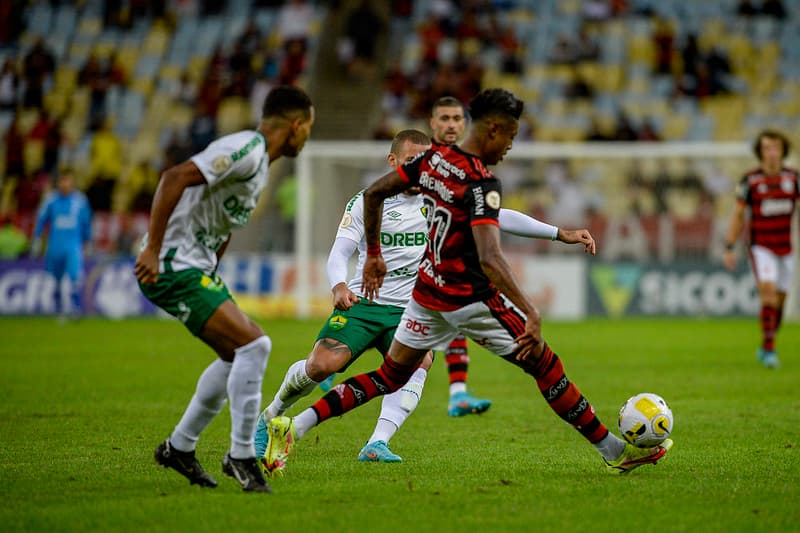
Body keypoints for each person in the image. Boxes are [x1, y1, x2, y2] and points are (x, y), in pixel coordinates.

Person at [263, 88, 672, 475]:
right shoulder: (479, 180)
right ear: (493, 129)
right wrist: (529, 309)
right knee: (546, 365)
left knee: (391, 376)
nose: (509, 146)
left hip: (423, 295)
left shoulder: (434, 163)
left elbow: (376, 193)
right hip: (467, 298)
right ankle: (613, 452)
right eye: (509, 136)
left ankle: (292, 428)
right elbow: (491, 256)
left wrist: (372, 255)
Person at [253, 128, 594, 465]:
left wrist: (559, 234)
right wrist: (338, 285)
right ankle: (270, 415)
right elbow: (339, 252)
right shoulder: (368, 200)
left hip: (412, 308)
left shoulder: (443, 196)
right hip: (365, 303)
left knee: (417, 364)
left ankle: (377, 443)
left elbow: (500, 216)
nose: (419, 168)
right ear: (392, 161)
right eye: (410, 160)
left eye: (425, 160)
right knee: (322, 366)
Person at [134, 85, 314, 493]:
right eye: (308, 129)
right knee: (255, 346)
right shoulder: (246, 149)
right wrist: (154, 249)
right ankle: (240, 455)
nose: (307, 138)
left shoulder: (260, 166)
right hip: (172, 266)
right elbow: (175, 176)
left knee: (238, 356)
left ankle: (179, 447)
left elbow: (222, 223)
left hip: (195, 268)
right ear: (296, 125)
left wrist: (213, 267)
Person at [723, 130, 799, 369]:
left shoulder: (794, 179)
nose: (771, 152)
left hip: (786, 248)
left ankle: (767, 341)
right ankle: (769, 350)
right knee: (768, 292)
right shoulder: (750, 180)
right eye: (766, 148)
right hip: (761, 247)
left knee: (780, 301)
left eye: (775, 147)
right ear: (760, 152)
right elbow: (738, 215)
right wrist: (729, 245)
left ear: (783, 150)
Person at [32, 169, 93, 320]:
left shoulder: (80, 200)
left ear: (72, 183)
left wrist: (88, 241)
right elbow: (41, 220)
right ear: (58, 183)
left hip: (73, 246)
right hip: (55, 246)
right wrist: (37, 239)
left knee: (74, 276)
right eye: (62, 181)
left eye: (68, 181)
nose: (65, 184)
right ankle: (58, 309)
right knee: (56, 279)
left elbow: (86, 222)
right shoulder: (50, 200)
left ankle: (75, 308)